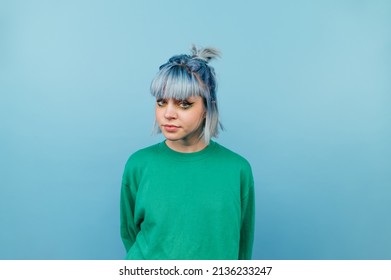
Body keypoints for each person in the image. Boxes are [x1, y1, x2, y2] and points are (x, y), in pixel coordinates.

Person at [120, 45, 255, 260]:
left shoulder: (237, 169)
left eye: (184, 104)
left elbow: (242, 244)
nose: (168, 114)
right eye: (161, 102)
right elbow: (129, 233)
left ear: (207, 108)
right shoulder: (138, 165)